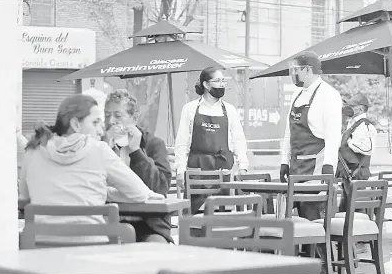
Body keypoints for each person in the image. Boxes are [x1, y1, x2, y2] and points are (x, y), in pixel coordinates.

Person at [18, 94, 163, 244]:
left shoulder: (33, 150)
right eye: (95, 123)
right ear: (76, 124)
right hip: (93, 252)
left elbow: (25, 196)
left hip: (42, 252)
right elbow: (138, 194)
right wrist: (104, 191)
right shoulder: (99, 150)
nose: (101, 130)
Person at [175, 66, 249, 214]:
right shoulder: (189, 109)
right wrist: (180, 170)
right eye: (217, 81)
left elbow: (238, 140)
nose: (222, 84)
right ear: (206, 84)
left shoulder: (230, 110)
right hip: (196, 170)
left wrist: (243, 166)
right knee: (193, 214)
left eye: (224, 81)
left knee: (222, 214)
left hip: (222, 168)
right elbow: (182, 143)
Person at [104, 89, 173, 244]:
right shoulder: (100, 145)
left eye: (118, 115)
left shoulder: (153, 144)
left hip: (147, 224)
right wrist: (104, 148)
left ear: (134, 118)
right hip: (109, 222)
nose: (111, 121)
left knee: (156, 247)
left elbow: (160, 188)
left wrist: (137, 152)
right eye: (107, 115)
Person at [280, 51, 342, 221]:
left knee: (314, 219)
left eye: (295, 70)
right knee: (297, 220)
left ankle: (319, 248)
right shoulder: (297, 95)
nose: (293, 74)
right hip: (296, 168)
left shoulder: (329, 95)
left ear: (307, 70)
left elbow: (333, 135)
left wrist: (329, 167)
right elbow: (289, 132)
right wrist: (284, 161)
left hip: (316, 169)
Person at [336, 93, 377, 212]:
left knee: (357, 211)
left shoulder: (366, 126)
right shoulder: (352, 124)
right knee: (345, 210)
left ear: (360, 108)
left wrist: (349, 141)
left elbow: (368, 148)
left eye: (352, 105)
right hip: (347, 174)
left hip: (357, 174)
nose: (348, 107)